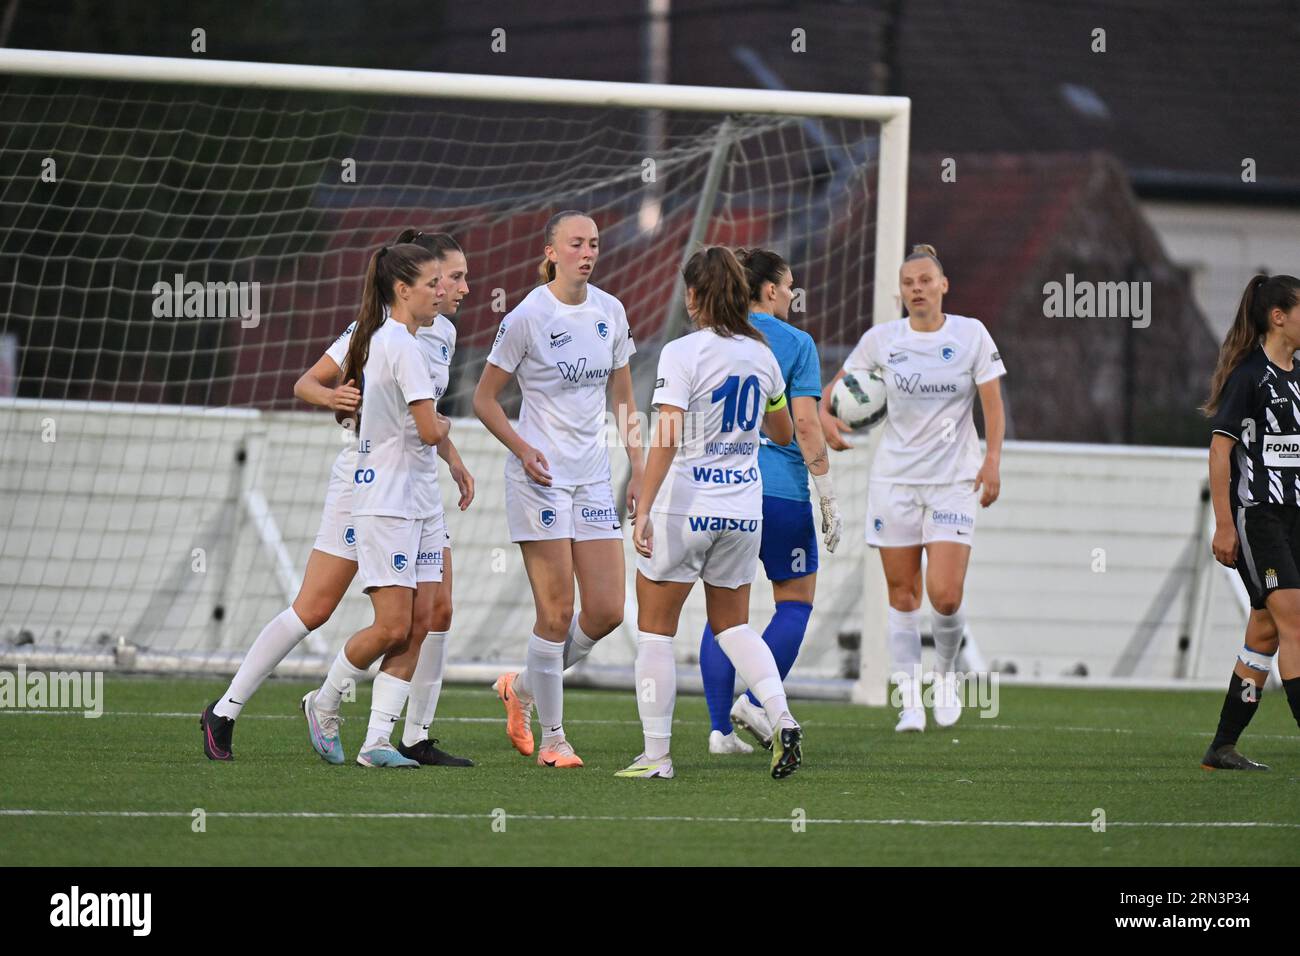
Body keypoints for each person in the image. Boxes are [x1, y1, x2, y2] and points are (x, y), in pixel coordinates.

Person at [200, 232, 473, 766]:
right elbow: (309, 384)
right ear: (417, 283)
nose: (460, 286)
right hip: (365, 481)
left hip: (416, 484)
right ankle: (228, 709)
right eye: (451, 276)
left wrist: (454, 459)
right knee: (317, 608)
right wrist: (336, 396)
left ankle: (404, 737)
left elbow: (426, 412)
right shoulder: (371, 332)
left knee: (435, 609)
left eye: (459, 277)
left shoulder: (443, 334)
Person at [620, 245, 802, 781]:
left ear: (694, 296)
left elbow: (668, 434)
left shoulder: (683, 353)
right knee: (733, 628)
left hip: (686, 507)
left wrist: (644, 508)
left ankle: (656, 757)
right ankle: (782, 716)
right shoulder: (763, 355)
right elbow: (784, 432)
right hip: (744, 511)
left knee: (656, 633)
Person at [474, 210, 642, 769]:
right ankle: (553, 739)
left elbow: (623, 398)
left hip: (593, 478)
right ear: (551, 251)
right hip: (540, 479)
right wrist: (523, 449)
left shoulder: (610, 311)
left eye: (593, 243)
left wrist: (638, 464)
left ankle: (520, 686)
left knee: (606, 611)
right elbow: (484, 398)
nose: (587, 252)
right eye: (575, 243)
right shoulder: (526, 315)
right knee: (555, 612)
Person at [823, 244, 1006, 732]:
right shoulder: (882, 340)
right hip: (895, 481)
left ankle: (944, 676)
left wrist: (992, 460)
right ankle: (909, 699)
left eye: (925, 280)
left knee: (945, 596)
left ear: (943, 285)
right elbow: (838, 390)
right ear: (900, 291)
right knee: (903, 596)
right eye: (908, 283)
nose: (917, 289)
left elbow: (992, 403)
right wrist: (826, 418)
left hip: (953, 482)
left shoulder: (971, 335)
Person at [301, 241, 451, 768]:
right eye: (433, 283)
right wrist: (448, 430)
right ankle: (323, 702)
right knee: (392, 626)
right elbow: (430, 428)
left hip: (420, 500)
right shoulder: (399, 344)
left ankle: (377, 742)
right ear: (402, 290)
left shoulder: (402, 339)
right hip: (386, 497)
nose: (442, 290)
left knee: (426, 617)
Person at [698, 247, 841, 755]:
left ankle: (718, 732)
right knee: (796, 602)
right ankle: (758, 706)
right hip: (781, 492)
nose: (792, 295)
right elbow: (803, 424)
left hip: (722, 489)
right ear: (772, 290)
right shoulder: (797, 342)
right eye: (790, 286)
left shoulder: (712, 338)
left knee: (724, 616)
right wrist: (826, 494)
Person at [1204, 272, 1300, 767]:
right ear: (1278, 317)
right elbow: (1220, 454)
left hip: (1295, 519)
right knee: (1296, 623)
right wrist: (1224, 524)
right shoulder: (1249, 376)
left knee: (1264, 630)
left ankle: (1222, 746)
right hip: (1258, 517)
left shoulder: (1298, 375)